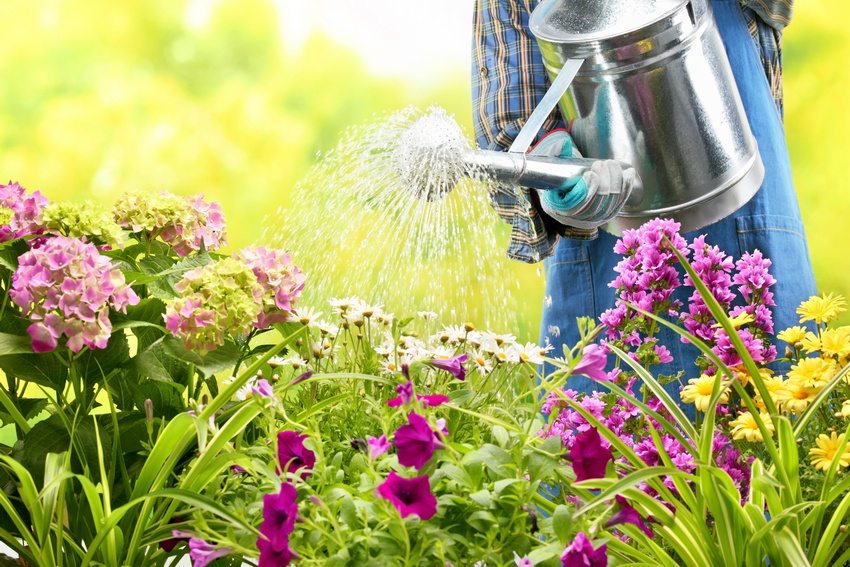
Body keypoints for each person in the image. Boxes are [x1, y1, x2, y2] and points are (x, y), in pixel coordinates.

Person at [472, 0, 818, 394]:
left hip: (749, 226)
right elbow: (509, 114)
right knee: (613, 438)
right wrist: (552, 170)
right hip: (608, 252)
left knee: (774, 432)